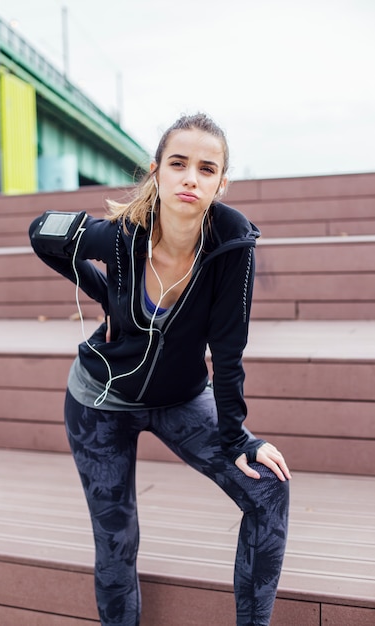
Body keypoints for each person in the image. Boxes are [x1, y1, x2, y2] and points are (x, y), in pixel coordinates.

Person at [29, 113, 291, 626]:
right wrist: (105, 295)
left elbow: (229, 353)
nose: (190, 177)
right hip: (99, 402)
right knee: (117, 541)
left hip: (181, 399)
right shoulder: (120, 238)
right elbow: (42, 232)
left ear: (221, 182)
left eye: (206, 168)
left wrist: (240, 440)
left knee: (268, 489)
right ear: (157, 172)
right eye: (178, 164)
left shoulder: (231, 246)